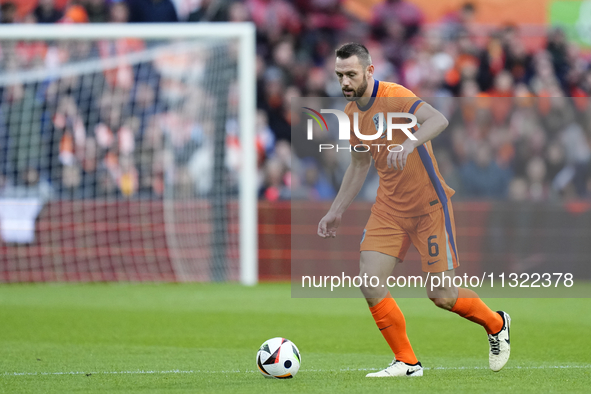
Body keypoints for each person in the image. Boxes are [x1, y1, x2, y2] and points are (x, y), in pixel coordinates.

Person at [317, 43, 511, 377]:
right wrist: (336, 210)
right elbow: (359, 164)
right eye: (339, 75)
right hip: (389, 208)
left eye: (351, 74)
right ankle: (407, 362)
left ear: (369, 71)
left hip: (428, 207)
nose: (345, 82)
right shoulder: (350, 114)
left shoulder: (394, 95)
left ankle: (496, 324)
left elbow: (439, 119)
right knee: (370, 282)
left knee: (441, 294)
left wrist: (408, 143)